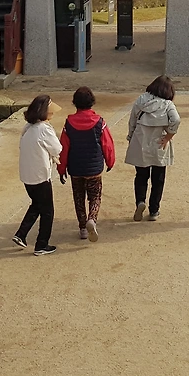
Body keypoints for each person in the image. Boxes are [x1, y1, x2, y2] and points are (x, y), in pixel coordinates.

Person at [58, 86, 115, 242]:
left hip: (75, 168)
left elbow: (63, 148)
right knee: (95, 196)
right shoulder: (100, 122)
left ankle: (83, 228)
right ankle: (92, 219)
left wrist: (61, 169)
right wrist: (110, 162)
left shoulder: (68, 124)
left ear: (75, 102)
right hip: (94, 168)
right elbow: (107, 145)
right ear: (92, 102)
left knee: (79, 198)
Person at [125, 76, 181, 222]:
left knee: (141, 175)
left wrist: (131, 137)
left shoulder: (141, 100)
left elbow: (132, 120)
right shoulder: (168, 104)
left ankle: (140, 201)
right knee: (158, 178)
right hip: (159, 142)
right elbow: (176, 119)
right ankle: (154, 210)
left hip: (140, 140)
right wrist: (169, 135)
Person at [14, 94, 61, 256]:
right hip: (40, 176)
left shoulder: (28, 127)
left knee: (37, 204)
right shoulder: (44, 129)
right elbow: (57, 148)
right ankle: (41, 244)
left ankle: (21, 234)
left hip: (27, 175)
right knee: (47, 211)